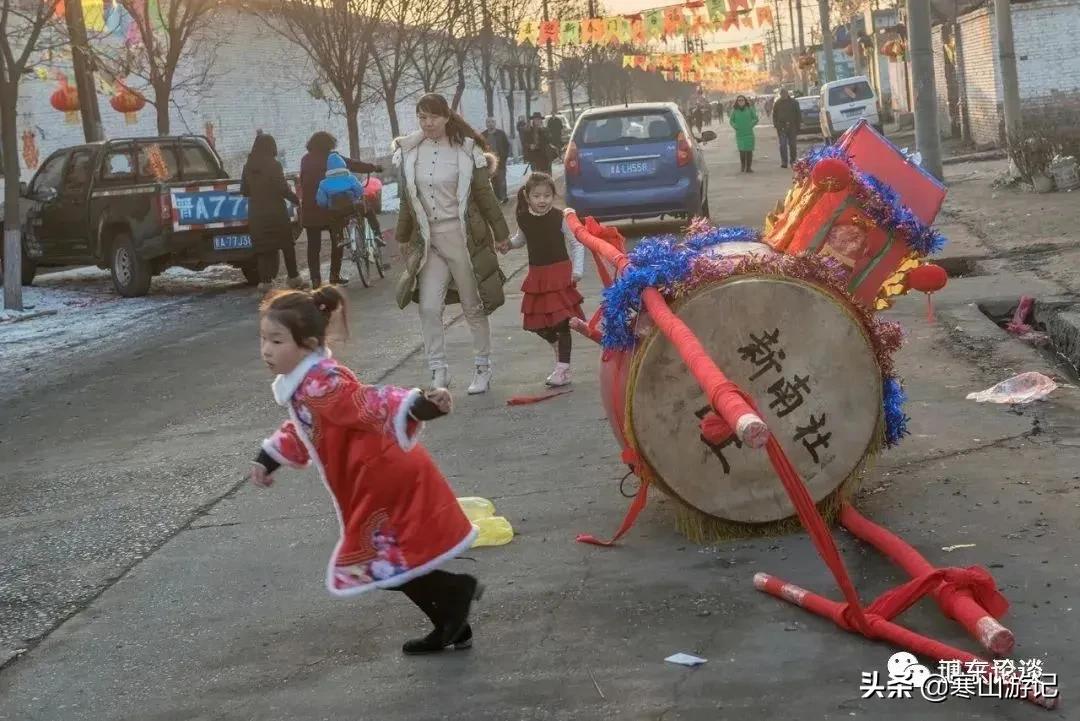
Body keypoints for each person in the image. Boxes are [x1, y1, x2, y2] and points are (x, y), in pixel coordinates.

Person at [251, 287, 484, 655]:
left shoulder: (320, 381)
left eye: (276, 340)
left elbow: (366, 401)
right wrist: (268, 458)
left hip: (385, 477)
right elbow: (306, 429)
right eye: (264, 339)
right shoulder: (307, 382)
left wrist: (416, 406)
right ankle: (452, 625)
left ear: (308, 343)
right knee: (392, 562)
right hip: (377, 475)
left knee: (378, 563)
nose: (266, 349)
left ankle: (456, 593)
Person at [392, 93, 510, 395]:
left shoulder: (466, 150)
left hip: (462, 239)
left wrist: (501, 233)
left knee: (473, 306)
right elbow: (407, 199)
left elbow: (485, 196)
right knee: (429, 307)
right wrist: (403, 237)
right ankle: (438, 371)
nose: (427, 123)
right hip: (429, 241)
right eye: (421, 117)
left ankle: (483, 367)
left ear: (446, 117)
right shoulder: (409, 152)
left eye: (432, 116)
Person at [497, 173, 585, 387]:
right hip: (538, 275)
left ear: (553, 196)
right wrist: (509, 245)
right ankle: (556, 346)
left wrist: (577, 270)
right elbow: (521, 239)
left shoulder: (559, 217)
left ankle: (563, 369)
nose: (542, 200)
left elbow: (577, 244)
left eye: (547, 195)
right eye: (537, 196)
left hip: (559, 274)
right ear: (527, 197)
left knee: (563, 321)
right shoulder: (524, 218)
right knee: (535, 323)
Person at [300, 131, 382, 288]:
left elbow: (304, 181)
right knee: (337, 240)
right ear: (329, 144)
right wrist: (374, 167)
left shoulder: (305, 160)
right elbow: (353, 164)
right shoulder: (332, 157)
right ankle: (334, 275)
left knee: (313, 246)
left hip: (310, 209)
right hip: (331, 207)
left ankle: (316, 280)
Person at [241, 133, 305, 292]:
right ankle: (294, 278)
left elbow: (244, 190)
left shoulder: (248, 166)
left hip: (257, 214)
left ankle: (266, 283)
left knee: (263, 250)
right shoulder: (274, 165)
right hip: (276, 213)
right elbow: (282, 188)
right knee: (287, 245)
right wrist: (297, 200)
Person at [482, 117, 511, 203]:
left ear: (495, 123)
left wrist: (505, 157)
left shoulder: (501, 133)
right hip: (489, 162)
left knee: (501, 179)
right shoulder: (483, 135)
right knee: (494, 181)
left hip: (500, 160)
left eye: (492, 122)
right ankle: (497, 197)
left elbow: (507, 145)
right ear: (486, 124)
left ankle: (504, 197)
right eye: (488, 122)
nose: (490, 124)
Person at [772, 89, 802, 169]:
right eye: (782, 94)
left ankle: (793, 161)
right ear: (780, 95)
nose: (783, 95)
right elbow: (774, 115)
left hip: (792, 127)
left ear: (787, 94)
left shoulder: (794, 102)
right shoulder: (777, 103)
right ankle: (784, 162)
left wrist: (798, 127)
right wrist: (776, 125)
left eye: (785, 94)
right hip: (781, 127)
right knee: (783, 145)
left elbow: (798, 115)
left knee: (793, 145)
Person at [729, 95, 759, 173]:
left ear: (745, 101)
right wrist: (735, 126)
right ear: (737, 102)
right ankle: (743, 166)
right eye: (739, 100)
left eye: (742, 100)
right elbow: (731, 121)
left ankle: (748, 167)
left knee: (749, 151)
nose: (741, 101)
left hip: (749, 133)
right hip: (740, 134)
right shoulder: (735, 110)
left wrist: (751, 125)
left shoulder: (749, 109)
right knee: (742, 151)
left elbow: (755, 118)